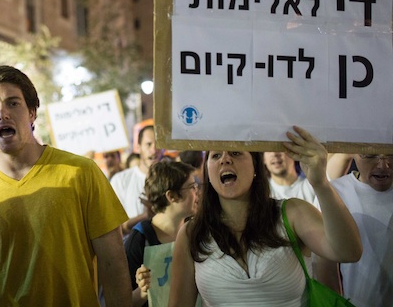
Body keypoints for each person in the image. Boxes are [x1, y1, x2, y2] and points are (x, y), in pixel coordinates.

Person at [0, 65, 131, 305]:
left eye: (13, 103)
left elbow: (114, 265)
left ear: (31, 113)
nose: (2, 113)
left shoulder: (82, 173)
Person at [168, 126, 362, 306]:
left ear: (255, 167)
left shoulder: (292, 213)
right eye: (215, 155)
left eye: (235, 153)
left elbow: (349, 252)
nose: (225, 159)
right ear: (208, 172)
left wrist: (321, 184)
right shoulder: (191, 233)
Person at [315, 153, 393, 306]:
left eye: (392, 155)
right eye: (370, 155)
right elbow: (325, 268)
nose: (383, 165)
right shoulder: (335, 193)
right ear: (353, 152)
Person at [126, 161, 199, 306]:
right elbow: (123, 302)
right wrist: (142, 291)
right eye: (192, 187)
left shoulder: (197, 232)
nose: (197, 191)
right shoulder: (140, 239)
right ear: (171, 196)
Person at [111, 124, 163, 235]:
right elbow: (115, 228)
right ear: (138, 147)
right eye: (148, 145)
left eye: (158, 145)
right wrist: (145, 216)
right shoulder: (120, 181)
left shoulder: (174, 180)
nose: (154, 150)